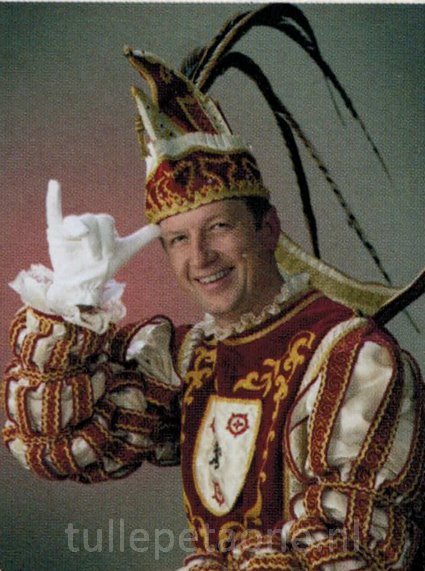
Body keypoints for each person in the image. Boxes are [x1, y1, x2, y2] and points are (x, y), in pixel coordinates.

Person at [2, 7, 424, 571]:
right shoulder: (193, 359)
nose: (199, 258)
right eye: (178, 239)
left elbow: (353, 549)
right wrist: (75, 297)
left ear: (267, 230)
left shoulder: (350, 358)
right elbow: (63, 444)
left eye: (219, 227)